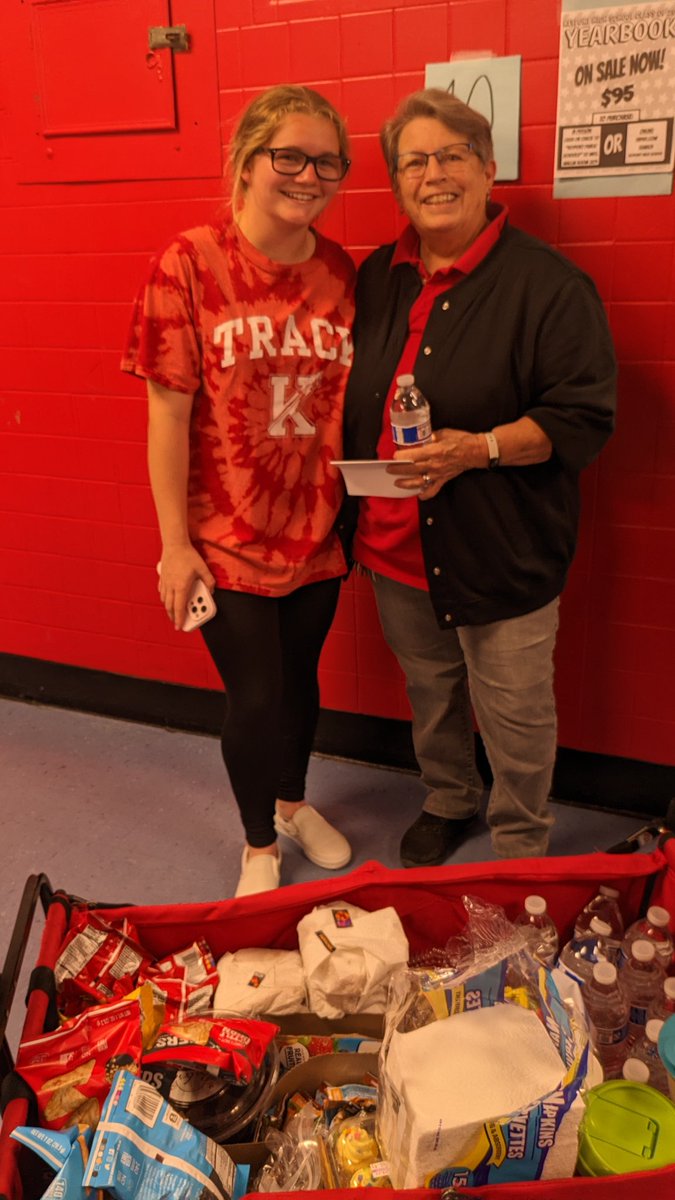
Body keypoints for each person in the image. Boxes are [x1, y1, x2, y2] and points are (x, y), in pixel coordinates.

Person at [343, 89, 616, 866]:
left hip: (501, 553)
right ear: (396, 183)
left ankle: (521, 842)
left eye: (450, 155)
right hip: (393, 549)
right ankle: (450, 796)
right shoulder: (376, 278)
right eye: (413, 162)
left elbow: (581, 420)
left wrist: (478, 449)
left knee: (515, 713)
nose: (432, 174)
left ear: (488, 168)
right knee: (432, 694)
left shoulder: (549, 287)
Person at [122, 86, 355, 897]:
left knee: (302, 681)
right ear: (247, 162)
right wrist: (174, 545)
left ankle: (293, 802)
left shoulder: (338, 271)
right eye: (288, 156)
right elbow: (166, 413)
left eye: (327, 161)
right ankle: (259, 840)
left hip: (318, 530)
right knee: (255, 695)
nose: (308, 174)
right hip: (224, 535)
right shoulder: (188, 262)